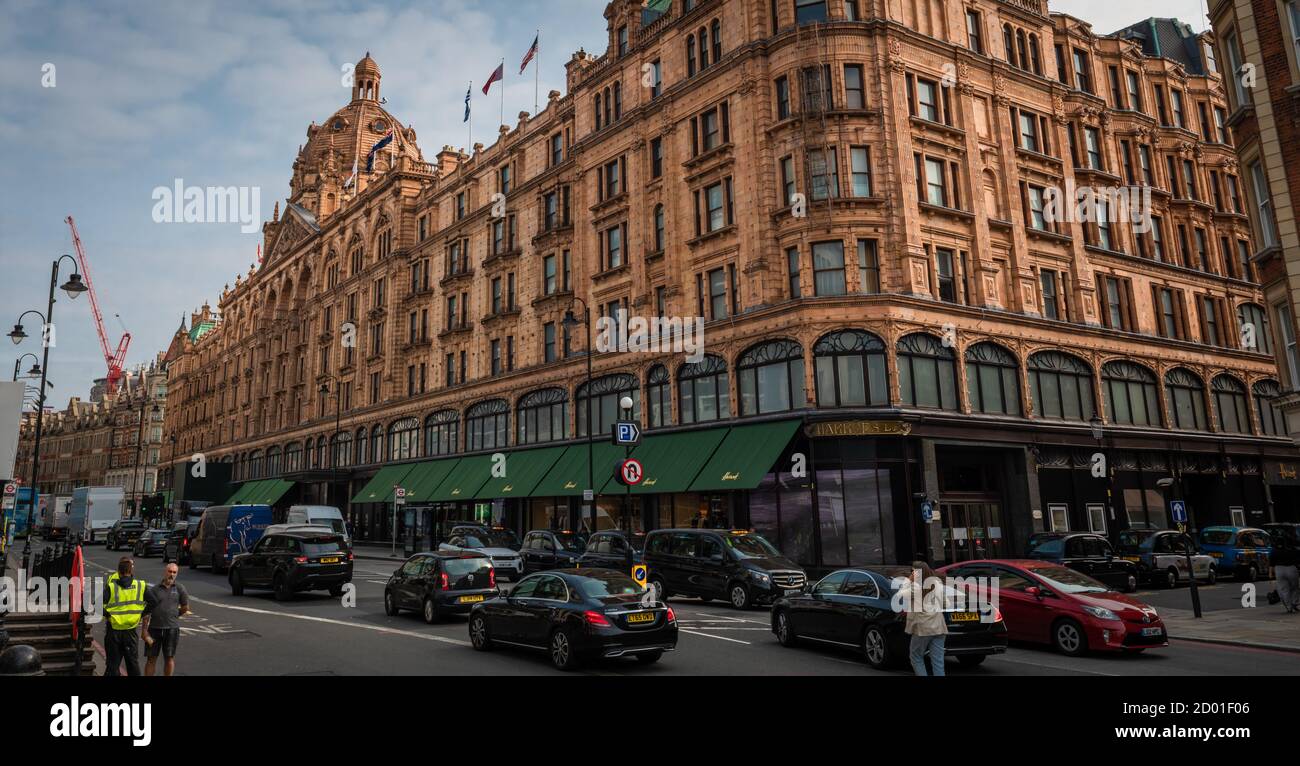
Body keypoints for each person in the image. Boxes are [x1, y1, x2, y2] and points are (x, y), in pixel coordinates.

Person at [142, 562, 190, 676]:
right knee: (151, 659)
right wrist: (144, 630)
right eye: (170, 571)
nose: (172, 574)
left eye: (174, 572)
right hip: (154, 629)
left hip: (172, 629)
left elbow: (185, 607)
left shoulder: (180, 588)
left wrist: (174, 615)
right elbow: (147, 612)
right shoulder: (154, 590)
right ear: (165, 572)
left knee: (169, 658)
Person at [902, 560, 948, 677]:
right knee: (938, 661)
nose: (911, 573)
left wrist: (908, 580)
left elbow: (902, 594)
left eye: (912, 571)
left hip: (923, 629)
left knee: (916, 657)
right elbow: (946, 604)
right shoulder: (937, 584)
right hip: (939, 627)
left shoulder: (914, 587)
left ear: (916, 573)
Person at [102, 557, 147, 677]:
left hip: (114, 628)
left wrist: (109, 615)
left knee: (113, 664)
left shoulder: (112, 584)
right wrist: (140, 613)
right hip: (130, 629)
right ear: (130, 570)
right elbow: (154, 601)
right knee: (132, 663)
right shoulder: (139, 585)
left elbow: (98, 604)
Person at [1272, 536, 1300, 614]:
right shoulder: (1293, 550)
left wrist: (1270, 573)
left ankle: (1289, 607)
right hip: (1291, 568)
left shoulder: (1275, 551)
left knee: (1284, 589)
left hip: (1279, 569)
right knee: (1295, 587)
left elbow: (1271, 562)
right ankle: (1295, 603)